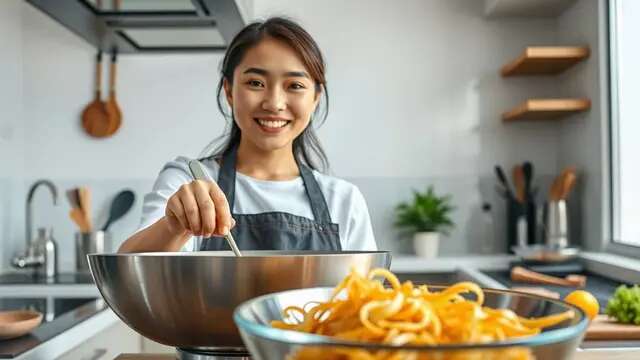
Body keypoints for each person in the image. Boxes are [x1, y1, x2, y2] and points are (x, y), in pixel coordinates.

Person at [118, 17, 377, 253]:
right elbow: (130, 271)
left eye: (295, 86)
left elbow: (366, 298)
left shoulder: (344, 200)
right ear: (229, 91)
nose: (274, 103)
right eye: (256, 83)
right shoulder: (190, 181)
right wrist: (173, 227)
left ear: (315, 98)